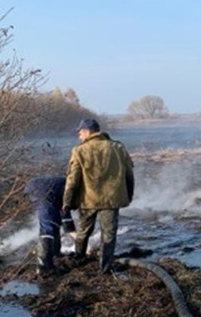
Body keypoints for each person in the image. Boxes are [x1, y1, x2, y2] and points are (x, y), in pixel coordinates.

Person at [63, 119, 134, 273]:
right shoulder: (118, 147)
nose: (79, 136)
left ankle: (79, 258)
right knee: (109, 235)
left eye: (80, 132)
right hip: (112, 200)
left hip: (88, 200)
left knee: (83, 232)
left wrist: (67, 202)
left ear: (88, 131)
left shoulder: (79, 150)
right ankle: (105, 267)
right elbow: (129, 175)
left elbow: (72, 180)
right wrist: (128, 196)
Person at [24, 176, 77, 277]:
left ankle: (55, 253)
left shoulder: (69, 188)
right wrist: (79, 239)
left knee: (55, 221)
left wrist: (72, 232)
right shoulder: (74, 189)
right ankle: (44, 268)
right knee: (49, 227)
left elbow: (64, 213)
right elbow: (66, 209)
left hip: (39, 187)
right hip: (41, 191)